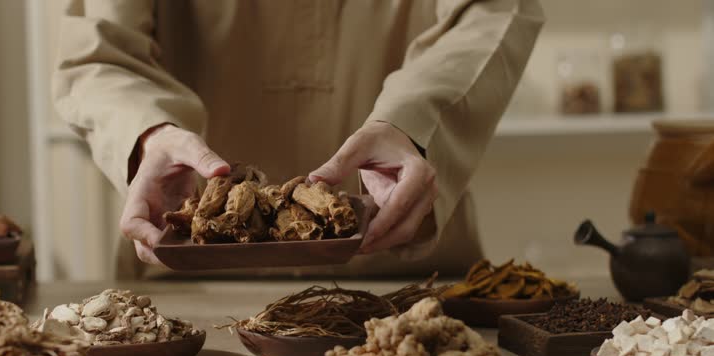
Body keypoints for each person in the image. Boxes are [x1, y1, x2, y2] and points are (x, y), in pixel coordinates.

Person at [53, 0, 544, 278]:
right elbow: (98, 52)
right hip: (193, 286)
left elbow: (494, 11)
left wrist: (414, 121)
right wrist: (149, 132)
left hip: (405, 285)